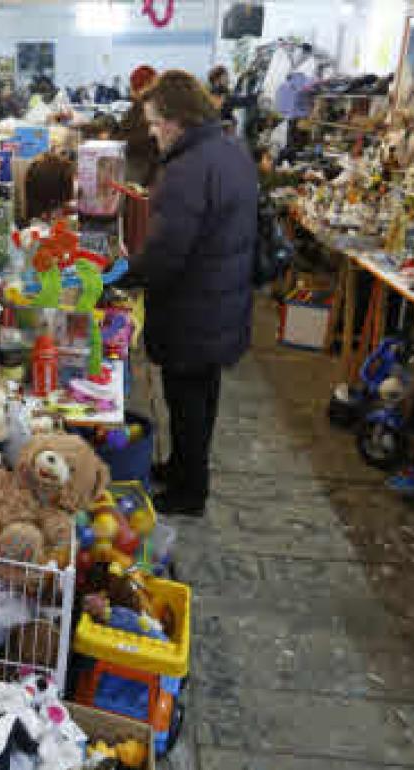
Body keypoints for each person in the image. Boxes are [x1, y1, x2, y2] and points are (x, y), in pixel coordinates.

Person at [121, 70, 258, 516]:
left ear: (177, 119)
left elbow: (167, 250)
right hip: (220, 298)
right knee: (200, 399)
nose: (153, 131)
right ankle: (183, 469)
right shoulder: (229, 150)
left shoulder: (186, 169)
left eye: (155, 122)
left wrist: (124, 277)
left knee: (187, 403)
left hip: (194, 305)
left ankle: (188, 493)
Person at [119, 65, 160, 188]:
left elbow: (144, 139)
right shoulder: (139, 106)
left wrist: (118, 140)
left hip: (140, 165)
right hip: (140, 164)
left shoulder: (148, 107)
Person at [23, 153, 75, 224]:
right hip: (52, 216)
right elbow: (67, 198)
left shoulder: (34, 166)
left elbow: (30, 196)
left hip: (36, 216)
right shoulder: (65, 169)